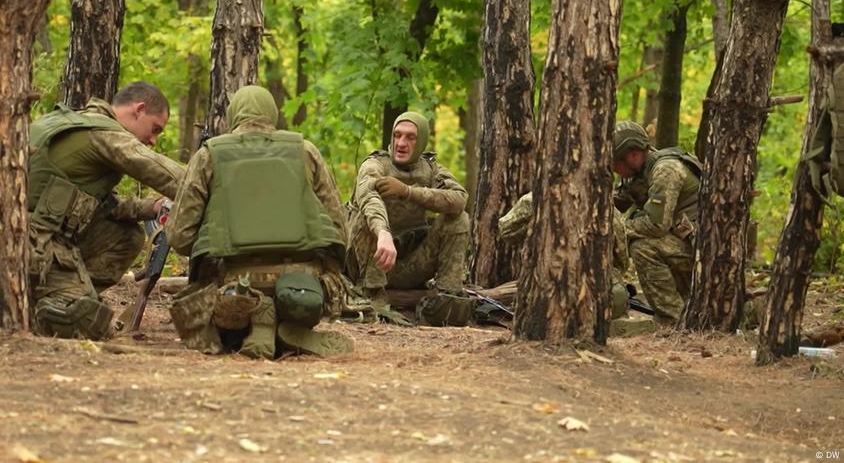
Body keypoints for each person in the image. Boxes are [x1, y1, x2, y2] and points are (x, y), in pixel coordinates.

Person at [164, 85, 356, 358]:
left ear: (233, 116)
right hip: (304, 286)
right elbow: (339, 229)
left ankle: (257, 324)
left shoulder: (209, 154)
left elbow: (180, 237)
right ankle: (284, 328)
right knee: (301, 288)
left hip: (232, 285)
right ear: (273, 114)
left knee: (215, 312)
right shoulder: (305, 151)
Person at [29, 82, 184, 340]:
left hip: (27, 236)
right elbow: (169, 175)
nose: (153, 140)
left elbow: (103, 207)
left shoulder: (73, 121)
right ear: (139, 110)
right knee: (87, 322)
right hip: (35, 245)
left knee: (126, 235)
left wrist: (152, 207)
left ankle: (68, 290)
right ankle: (55, 298)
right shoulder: (104, 134)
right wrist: (218, 183)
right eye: (155, 129)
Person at [346, 111, 472, 326]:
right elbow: (369, 197)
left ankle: (446, 298)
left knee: (458, 218)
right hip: (372, 264)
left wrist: (408, 191)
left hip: (411, 264)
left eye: (410, 137)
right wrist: (382, 233)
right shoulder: (376, 165)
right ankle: (372, 295)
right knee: (365, 215)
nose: (401, 143)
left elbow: (459, 199)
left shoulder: (430, 168)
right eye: (397, 135)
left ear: (421, 141)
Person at [499, 191, 655, 336]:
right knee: (617, 296)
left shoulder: (535, 199)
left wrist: (535, 228)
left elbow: (505, 230)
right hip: (603, 295)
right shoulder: (606, 205)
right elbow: (621, 259)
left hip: (544, 292)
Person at [611, 120, 701, 325]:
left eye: (616, 163)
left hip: (700, 251)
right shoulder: (638, 173)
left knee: (643, 247)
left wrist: (618, 228)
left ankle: (673, 321)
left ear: (633, 154)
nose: (615, 170)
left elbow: (655, 225)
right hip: (683, 248)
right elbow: (616, 202)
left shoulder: (666, 170)